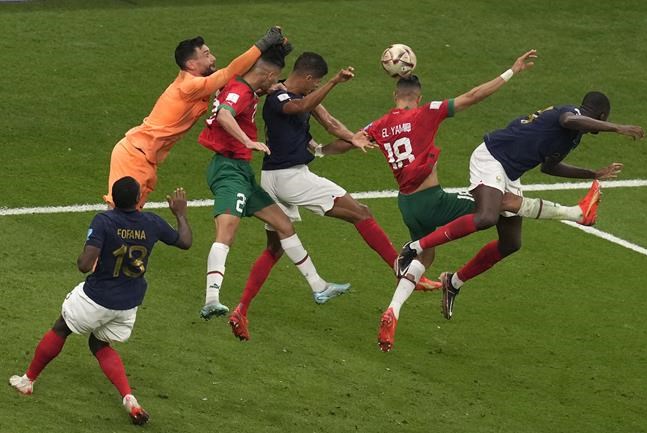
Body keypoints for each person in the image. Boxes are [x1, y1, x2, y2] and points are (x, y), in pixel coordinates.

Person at [362, 50, 612, 351]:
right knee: (491, 211)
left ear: (395, 94)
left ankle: (401, 306)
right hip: (455, 184)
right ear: (419, 95)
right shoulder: (426, 111)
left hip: (408, 204)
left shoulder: (380, 124)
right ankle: (577, 213)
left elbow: (350, 139)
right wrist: (511, 71)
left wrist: (323, 146)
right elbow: (473, 96)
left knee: (504, 243)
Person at [223, 52, 439, 341]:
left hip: (273, 177)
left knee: (274, 248)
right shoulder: (279, 97)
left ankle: (241, 310)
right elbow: (301, 106)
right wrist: (335, 82)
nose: (317, 86)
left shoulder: (300, 95)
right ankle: (400, 269)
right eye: (317, 82)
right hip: (291, 178)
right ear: (308, 78)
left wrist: (353, 137)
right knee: (361, 213)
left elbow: (329, 122)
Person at [395, 90, 645, 323]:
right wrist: (617, 128)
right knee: (486, 217)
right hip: (491, 157)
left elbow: (549, 167)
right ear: (601, 116)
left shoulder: (573, 137)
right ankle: (415, 247)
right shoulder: (571, 114)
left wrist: (593, 173)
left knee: (511, 243)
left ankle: (453, 282)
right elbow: (569, 120)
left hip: (509, 172)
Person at [9, 177, 192, 425]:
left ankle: (27, 380)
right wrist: (180, 214)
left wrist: (87, 253)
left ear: (113, 199)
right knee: (99, 343)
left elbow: (84, 265)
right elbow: (185, 242)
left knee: (61, 328)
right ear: (139, 199)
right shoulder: (152, 222)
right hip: (127, 305)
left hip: (96, 298)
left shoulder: (104, 221)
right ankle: (128, 397)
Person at [197, 45, 350, 324]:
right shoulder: (240, 91)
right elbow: (224, 115)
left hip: (243, 171)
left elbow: (255, 87)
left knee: (284, 225)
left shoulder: (246, 86)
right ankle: (211, 299)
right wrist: (248, 141)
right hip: (228, 170)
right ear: (267, 75)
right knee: (227, 231)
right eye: (274, 78)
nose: (277, 84)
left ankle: (319, 287)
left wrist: (275, 51)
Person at [103, 27, 287, 209]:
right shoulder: (190, 87)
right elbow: (230, 72)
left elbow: (238, 90)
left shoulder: (196, 84)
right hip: (134, 156)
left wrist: (266, 88)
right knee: (118, 217)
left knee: (128, 217)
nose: (213, 58)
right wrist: (264, 43)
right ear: (191, 64)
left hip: (144, 158)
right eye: (206, 55)